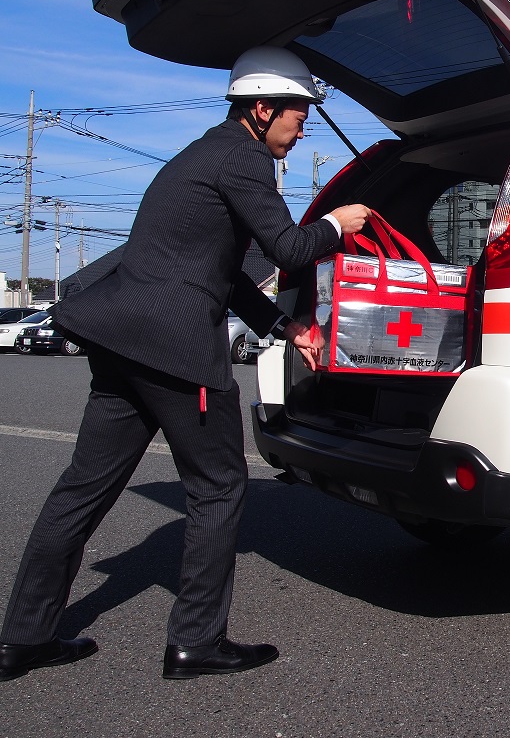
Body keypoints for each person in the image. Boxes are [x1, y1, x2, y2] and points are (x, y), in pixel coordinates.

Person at [0, 47, 370, 681]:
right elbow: (289, 245)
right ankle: (196, 642)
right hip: (175, 347)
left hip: (124, 340)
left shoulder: (204, 155)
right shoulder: (243, 157)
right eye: (299, 112)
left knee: (82, 491)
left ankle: (21, 638)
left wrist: (285, 327)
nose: (304, 124)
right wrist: (338, 224)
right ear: (262, 108)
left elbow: (221, 274)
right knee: (221, 484)